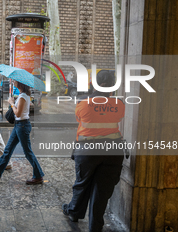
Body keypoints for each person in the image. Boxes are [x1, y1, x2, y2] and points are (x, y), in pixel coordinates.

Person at [61, 70, 125, 232]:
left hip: (87, 150)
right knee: (102, 190)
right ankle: (95, 226)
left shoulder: (83, 102)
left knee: (82, 183)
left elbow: (79, 118)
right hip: (113, 151)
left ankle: (75, 212)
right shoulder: (119, 104)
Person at [0, 80, 44, 185]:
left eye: (16, 81)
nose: (14, 82)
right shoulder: (22, 96)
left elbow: (18, 113)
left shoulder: (23, 97)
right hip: (19, 125)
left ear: (21, 84)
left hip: (22, 126)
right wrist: (14, 101)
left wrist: (12, 103)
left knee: (28, 152)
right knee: (7, 150)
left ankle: (38, 176)